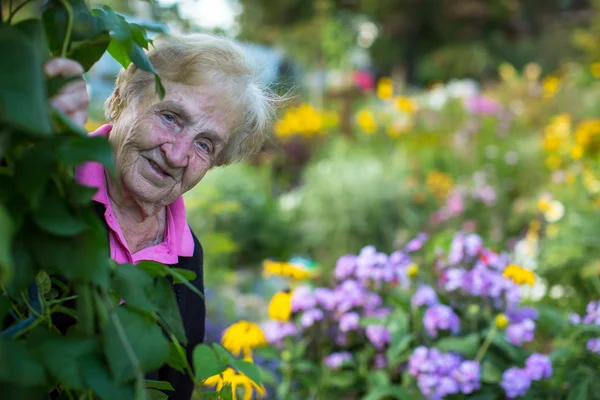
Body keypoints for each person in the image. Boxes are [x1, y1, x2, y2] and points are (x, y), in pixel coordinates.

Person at [46, 33, 277, 399]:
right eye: (171, 117)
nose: (176, 155)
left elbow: (175, 386)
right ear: (121, 100)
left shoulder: (185, 256)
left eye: (205, 144)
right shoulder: (48, 189)